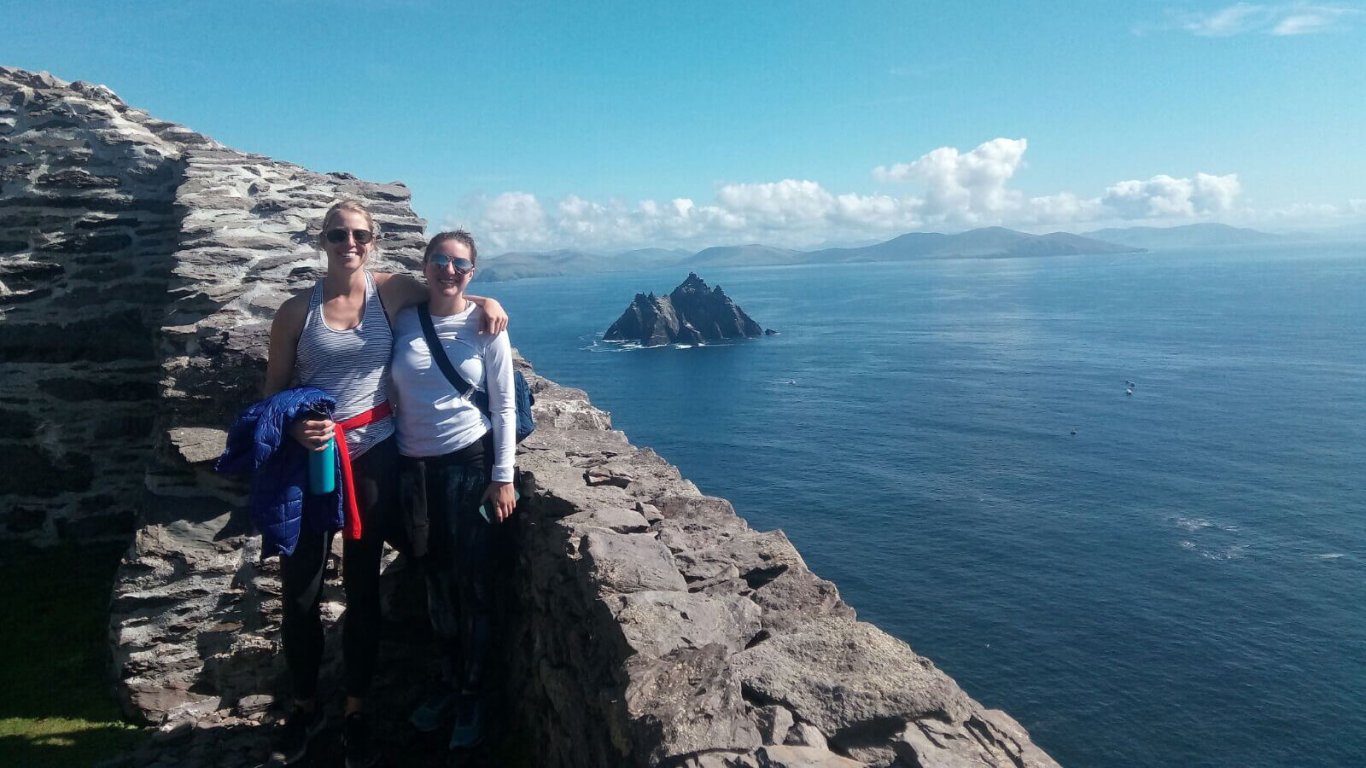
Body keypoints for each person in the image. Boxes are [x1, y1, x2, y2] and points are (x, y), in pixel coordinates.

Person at [261, 201, 508, 768]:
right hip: (311, 465)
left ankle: (355, 710)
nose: (350, 242)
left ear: (374, 241)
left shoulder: (392, 292)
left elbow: (451, 295)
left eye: (360, 234)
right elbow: (271, 392)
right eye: (338, 234)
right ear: (321, 239)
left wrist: (491, 304)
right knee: (300, 594)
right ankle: (303, 706)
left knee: (363, 588)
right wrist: (295, 427)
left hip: (374, 460)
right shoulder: (295, 311)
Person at [388, 230, 516, 751]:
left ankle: (472, 692)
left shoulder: (486, 325)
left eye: (460, 264)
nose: (448, 269)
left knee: (475, 586)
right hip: (414, 471)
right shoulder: (402, 318)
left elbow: (504, 405)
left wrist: (502, 476)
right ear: (424, 265)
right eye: (439, 259)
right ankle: (448, 680)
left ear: (471, 273)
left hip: (469, 466)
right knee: (436, 582)